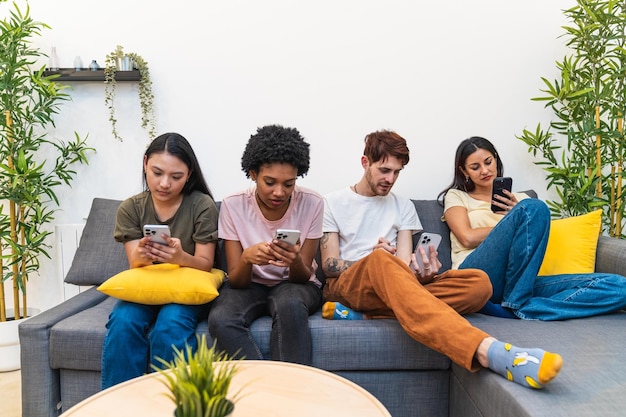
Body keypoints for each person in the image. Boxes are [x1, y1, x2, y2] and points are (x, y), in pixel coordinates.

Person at [320, 130, 563, 390]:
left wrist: (423, 273)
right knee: (380, 261)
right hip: (349, 285)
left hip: (393, 285)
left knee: (478, 283)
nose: (390, 179)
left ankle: (369, 315)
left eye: (397, 172)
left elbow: (402, 267)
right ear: (365, 162)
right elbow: (329, 265)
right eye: (384, 170)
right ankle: (486, 350)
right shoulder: (332, 202)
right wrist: (376, 260)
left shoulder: (403, 206)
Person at [439, 136, 626, 320]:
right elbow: (467, 237)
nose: (485, 170)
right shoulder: (457, 196)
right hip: (475, 277)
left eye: (488, 162)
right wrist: (514, 223)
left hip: (518, 283)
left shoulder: (521, 203)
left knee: (619, 286)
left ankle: (521, 307)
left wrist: (517, 217)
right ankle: (515, 303)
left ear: (496, 159)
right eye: (475, 167)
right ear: (464, 171)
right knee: (535, 208)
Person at [101, 132, 219, 388]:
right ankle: (118, 406)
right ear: (145, 164)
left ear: (189, 174)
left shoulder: (202, 205)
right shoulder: (131, 208)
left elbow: (205, 263)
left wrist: (180, 257)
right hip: (147, 288)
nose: (165, 183)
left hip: (187, 290)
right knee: (123, 322)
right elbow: (135, 264)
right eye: (157, 173)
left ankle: (171, 406)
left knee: (171, 324)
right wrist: (142, 256)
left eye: (176, 177)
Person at [208, 125, 324, 365]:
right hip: (248, 285)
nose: (279, 192)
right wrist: (247, 259)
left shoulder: (312, 203)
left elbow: (302, 278)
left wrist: (295, 261)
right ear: (252, 174)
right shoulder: (233, 205)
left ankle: (289, 389)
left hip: (295, 285)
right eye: (269, 182)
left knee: (290, 305)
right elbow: (238, 281)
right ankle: (264, 383)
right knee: (221, 318)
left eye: (289, 184)